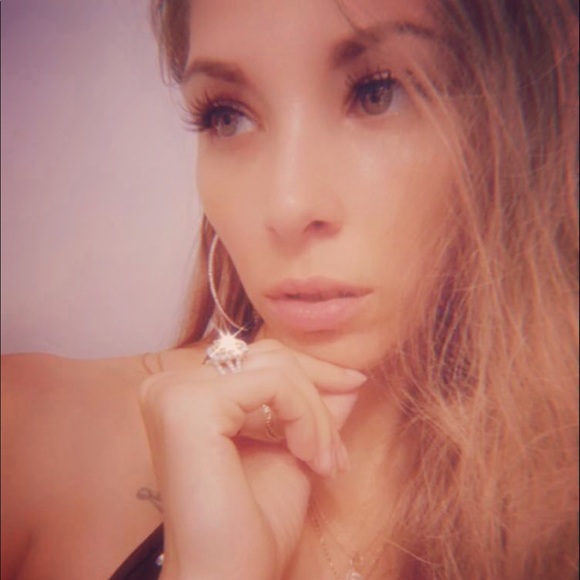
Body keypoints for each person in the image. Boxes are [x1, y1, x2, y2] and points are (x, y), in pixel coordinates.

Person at [1, 0, 578, 578]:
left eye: (378, 93)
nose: (287, 206)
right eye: (227, 116)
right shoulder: (28, 439)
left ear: (521, 123)